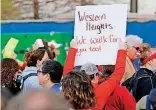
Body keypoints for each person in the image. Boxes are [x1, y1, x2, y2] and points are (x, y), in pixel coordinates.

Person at [62, 39, 127, 110]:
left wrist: (73, 49)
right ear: (96, 76)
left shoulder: (71, 88)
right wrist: (122, 50)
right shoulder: (100, 91)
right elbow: (118, 74)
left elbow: (67, 75)